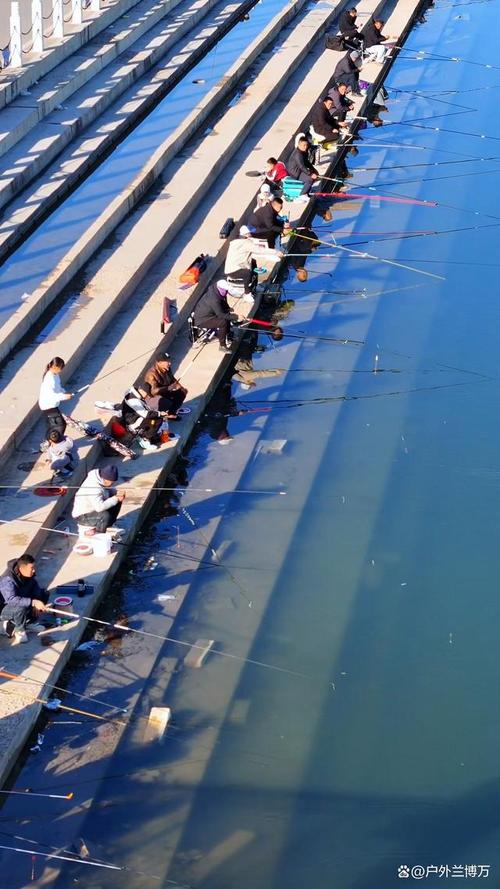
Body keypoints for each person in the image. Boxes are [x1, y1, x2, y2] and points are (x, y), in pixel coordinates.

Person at [0, 554, 49, 645]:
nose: (34, 570)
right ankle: (19, 630)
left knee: (44, 594)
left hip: (21, 597)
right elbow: (11, 599)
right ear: (22, 568)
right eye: (32, 568)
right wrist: (33, 602)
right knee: (20, 607)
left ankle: (27, 623)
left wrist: (37, 599)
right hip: (4, 607)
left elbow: (35, 587)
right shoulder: (7, 580)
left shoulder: (28, 574)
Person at [224, 226, 282, 299]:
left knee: (254, 264)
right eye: (250, 233)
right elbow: (260, 250)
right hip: (233, 271)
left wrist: (271, 256)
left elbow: (253, 254)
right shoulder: (246, 243)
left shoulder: (236, 241)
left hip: (236, 266)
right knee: (247, 273)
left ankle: (256, 286)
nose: (251, 234)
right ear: (246, 234)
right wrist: (276, 252)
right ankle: (247, 293)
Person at [72, 464, 126, 534]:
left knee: (116, 501)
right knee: (105, 515)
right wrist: (115, 498)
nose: (113, 484)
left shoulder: (100, 479)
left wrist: (116, 493)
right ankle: (99, 534)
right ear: (105, 479)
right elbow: (99, 508)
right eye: (112, 482)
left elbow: (106, 489)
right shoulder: (94, 488)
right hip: (83, 515)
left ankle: (109, 526)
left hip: (93, 509)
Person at [193, 280, 243, 353]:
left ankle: (228, 334)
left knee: (226, 314)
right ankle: (222, 346)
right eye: (225, 290)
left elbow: (223, 301)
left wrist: (227, 308)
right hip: (202, 320)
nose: (226, 292)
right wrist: (236, 317)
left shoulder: (216, 290)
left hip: (209, 314)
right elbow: (221, 314)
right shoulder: (214, 299)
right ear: (221, 289)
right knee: (223, 322)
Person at [38, 357, 73, 445]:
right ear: (54, 367)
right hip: (48, 405)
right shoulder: (50, 379)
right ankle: (52, 443)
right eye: (59, 369)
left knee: (55, 425)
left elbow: (58, 388)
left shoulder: (55, 375)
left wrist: (64, 392)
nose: (60, 371)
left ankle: (49, 442)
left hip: (52, 405)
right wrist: (64, 397)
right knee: (59, 425)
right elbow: (52, 396)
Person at [142, 354, 187, 419]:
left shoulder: (167, 368)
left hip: (166, 390)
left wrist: (180, 386)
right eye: (167, 361)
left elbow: (172, 378)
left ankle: (171, 413)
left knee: (182, 392)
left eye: (169, 361)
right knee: (166, 402)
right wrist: (168, 388)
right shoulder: (151, 374)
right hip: (153, 396)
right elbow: (153, 392)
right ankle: (162, 414)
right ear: (159, 363)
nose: (170, 363)